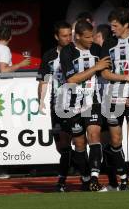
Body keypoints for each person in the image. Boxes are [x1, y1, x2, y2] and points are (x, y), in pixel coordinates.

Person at [37, 21, 90, 192]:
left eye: (70, 35)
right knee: (62, 147)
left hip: (77, 104)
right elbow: (44, 80)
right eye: (64, 35)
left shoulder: (78, 52)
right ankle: (77, 174)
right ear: (56, 37)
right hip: (57, 106)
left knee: (80, 142)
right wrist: (41, 100)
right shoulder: (49, 56)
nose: (68, 38)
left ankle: (82, 179)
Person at [59, 20, 111, 191]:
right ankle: (87, 179)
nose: (91, 40)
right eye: (87, 37)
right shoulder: (67, 52)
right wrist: (95, 67)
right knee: (79, 144)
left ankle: (95, 177)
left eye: (92, 36)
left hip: (93, 100)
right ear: (78, 37)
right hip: (73, 103)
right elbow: (72, 79)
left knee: (94, 135)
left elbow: (106, 68)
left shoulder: (97, 49)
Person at [100, 8, 129, 190]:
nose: (112, 28)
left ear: (126, 25)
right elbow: (104, 73)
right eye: (111, 25)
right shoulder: (108, 44)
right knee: (115, 140)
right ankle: (123, 176)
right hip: (114, 95)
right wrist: (126, 77)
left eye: (115, 25)